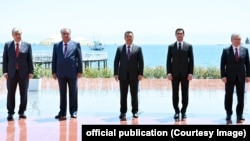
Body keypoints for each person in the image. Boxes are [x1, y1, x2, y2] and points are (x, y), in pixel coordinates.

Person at [2, 27, 34, 121]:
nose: (18, 36)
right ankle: (10, 113)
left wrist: (31, 72)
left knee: (23, 93)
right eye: (16, 34)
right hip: (11, 73)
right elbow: (5, 59)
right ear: (12, 35)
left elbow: (30, 59)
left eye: (19, 34)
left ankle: (22, 112)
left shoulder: (27, 45)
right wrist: (4, 71)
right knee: (10, 93)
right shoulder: (7, 45)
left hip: (24, 73)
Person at [52, 28, 83, 120]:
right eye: (64, 34)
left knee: (73, 93)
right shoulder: (56, 45)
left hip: (73, 72)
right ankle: (62, 112)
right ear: (61, 35)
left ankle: (73, 112)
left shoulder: (76, 44)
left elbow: (80, 59)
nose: (66, 35)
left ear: (70, 34)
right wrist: (53, 72)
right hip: (60, 73)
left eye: (67, 34)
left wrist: (80, 71)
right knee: (62, 93)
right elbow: (54, 59)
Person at [114, 31, 144, 121]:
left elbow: (141, 62)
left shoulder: (138, 48)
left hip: (134, 76)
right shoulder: (119, 48)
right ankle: (123, 112)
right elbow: (116, 61)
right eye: (127, 36)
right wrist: (116, 73)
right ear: (124, 38)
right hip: (122, 76)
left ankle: (135, 111)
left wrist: (140, 74)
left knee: (134, 95)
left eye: (130, 36)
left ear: (133, 37)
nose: (129, 38)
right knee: (123, 95)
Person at [220, 33, 250, 124]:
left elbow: (247, 64)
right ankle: (228, 113)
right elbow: (222, 64)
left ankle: (239, 114)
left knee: (241, 96)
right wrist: (223, 76)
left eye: (239, 39)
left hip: (241, 77)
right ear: (231, 40)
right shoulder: (226, 50)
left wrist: (248, 75)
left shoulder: (245, 50)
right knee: (228, 96)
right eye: (236, 39)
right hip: (229, 77)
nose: (237, 41)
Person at [166, 28, 194, 121]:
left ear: (183, 35)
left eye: (181, 33)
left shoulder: (189, 46)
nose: (179, 35)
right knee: (175, 93)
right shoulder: (171, 46)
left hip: (185, 74)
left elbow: (191, 61)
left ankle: (184, 111)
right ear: (175, 35)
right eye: (177, 33)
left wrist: (190, 73)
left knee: (185, 93)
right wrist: (169, 72)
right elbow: (168, 61)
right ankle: (176, 111)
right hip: (174, 74)